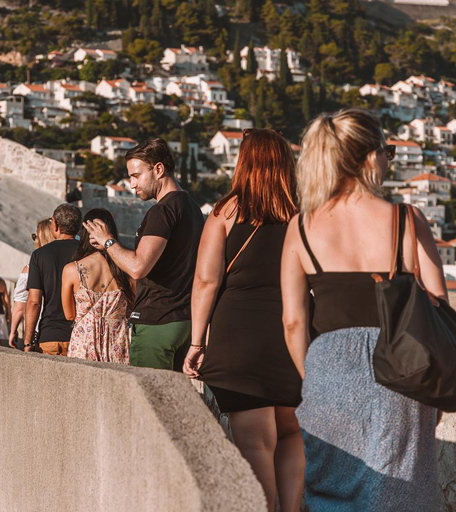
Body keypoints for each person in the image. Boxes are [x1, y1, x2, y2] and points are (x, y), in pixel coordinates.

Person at [281, 109, 445, 511]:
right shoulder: (407, 220)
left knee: (328, 494)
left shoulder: (302, 226)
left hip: (327, 368)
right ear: (371, 157)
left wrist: (315, 378)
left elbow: (293, 321)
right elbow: (438, 306)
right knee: (399, 494)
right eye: (388, 151)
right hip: (400, 370)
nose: (389, 160)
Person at [182, 129, 303, 512]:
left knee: (256, 443)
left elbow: (206, 281)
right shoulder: (302, 212)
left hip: (238, 337)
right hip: (291, 335)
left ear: (244, 162)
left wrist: (197, 342)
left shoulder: (226, 211)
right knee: (291, 434)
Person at [85, 138, 204, 371]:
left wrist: (108, 241)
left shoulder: (162, 211)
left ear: (158, 169)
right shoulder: (192, 208)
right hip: (185, 321)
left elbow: (138, 267)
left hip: (157, 322)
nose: (132, 184)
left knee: (149, 393)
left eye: (136, 176)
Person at [61, 209, 133, 364]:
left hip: (84, 343)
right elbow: (133, 305)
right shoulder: (126, 267)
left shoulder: (72, 270)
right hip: (117, 343)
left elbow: (69, 315)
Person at [24, 203, 82, 355]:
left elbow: (34, 302)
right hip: (82, 337)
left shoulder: (39, 255)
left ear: (55, 225)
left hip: (50, 336)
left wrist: (28, 342)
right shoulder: (88, 253)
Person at [8, 218, 54, 349]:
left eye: (35, 236)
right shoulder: (69, 264)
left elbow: (20, 305)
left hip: (41, 330)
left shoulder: (30, 269)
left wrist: (13, 331)